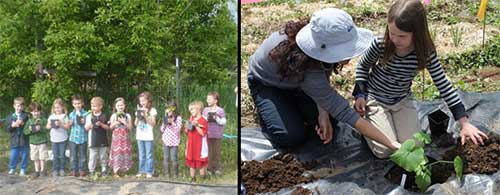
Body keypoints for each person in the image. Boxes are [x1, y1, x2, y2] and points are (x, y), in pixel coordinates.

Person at [247, 8, 400, 151]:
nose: (349, 56)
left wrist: (323, 114)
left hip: (297, 84)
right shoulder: (308, 69)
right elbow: (346, 113)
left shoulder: (319, 40)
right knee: (291, 137)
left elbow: (323, 78)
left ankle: (293, 105)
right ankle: (269, 106)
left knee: (331, 121)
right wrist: (390, 143)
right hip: (266, 84)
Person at [352, 0, 488, 158]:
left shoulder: (424, 53)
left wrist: (464, 123)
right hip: (375, 99)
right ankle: (365, 126)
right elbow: (362, 67)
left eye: (401, 36)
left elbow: (443, 84)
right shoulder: (381, 44)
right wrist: (360, 94)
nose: (395, 39)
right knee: (385, 151)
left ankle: (382, 125)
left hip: (401, 101)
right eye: (391, 32)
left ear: (417, 33)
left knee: (415, 145)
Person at [85, 97, 110, 176]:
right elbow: (86, 128)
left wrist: (101, 124)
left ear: (100, 106)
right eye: (92, 106)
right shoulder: (89, 116)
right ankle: (91, 170)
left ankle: (104, 169)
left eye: (95, 106)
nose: (93, 108)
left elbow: (108, 128)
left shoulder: (104, 116)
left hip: (102, 139)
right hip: (93, 139)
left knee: (103, 155)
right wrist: (92, 125)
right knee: (93, 156)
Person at [134, 92, 157, 178]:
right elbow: (135, 124)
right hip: (139, 136)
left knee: (149, 155)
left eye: (144, 100)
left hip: (148, 136)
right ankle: (141, 170)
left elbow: (153, 124)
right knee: (141, 154)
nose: (142, 102)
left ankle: (149, 171)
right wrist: (138, 114)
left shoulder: (152, 110)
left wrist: (146, 115)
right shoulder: (138, 110)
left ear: (148, 101)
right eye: (140, 101)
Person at [202, 92, 226, 175]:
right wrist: (206, 118)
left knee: (216, 151)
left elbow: (223, 121)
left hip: (217, 135)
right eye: (207, 99)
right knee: (208, 152)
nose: (207, 100)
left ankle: (216, 168)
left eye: (209, 99)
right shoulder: (205, 110)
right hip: (207, 134)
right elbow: (202, 120)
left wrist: (217, 119)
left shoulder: (220, 110)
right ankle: (208, 168)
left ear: (215, 101)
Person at [109, 97, 133, 178]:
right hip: (116, 138)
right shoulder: (113, 115)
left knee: (125, 152)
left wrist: (124, 122)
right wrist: (115, 122)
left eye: (122, 105)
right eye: (118, 105)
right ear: (115, 106)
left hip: (125, 137)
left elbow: (130, 128)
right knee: (117, 153)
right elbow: (110, 128)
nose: (120, 107)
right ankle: (115, 171)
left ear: (124, 106)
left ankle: (124, 170)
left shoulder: (128, 115)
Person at [185, 101, 208, 183]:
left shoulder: (203, 120)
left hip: (200, 146)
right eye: (190, 110)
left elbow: (202, 133)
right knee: (191, 162)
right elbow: (186, 132)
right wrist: (187, 127)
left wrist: (197, 126)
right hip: (191, 145)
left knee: (201, 166)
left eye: (192, 109)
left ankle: (204, 175)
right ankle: (193, 178)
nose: (191, 112)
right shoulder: (190, 119)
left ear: (199, 109)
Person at [23, 102, 49, 177]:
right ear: (31, 112)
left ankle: (43, 170)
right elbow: (25, 132)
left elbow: (47, 128)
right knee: (35, 158)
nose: (36, 113)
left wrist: (41, 128)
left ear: (40, 111)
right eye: (34, 111)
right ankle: (37, 170)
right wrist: (30, 130)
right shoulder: (29, 121)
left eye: (37, 111)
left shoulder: (44, 120)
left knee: (42, 157)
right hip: (33, 142)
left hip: (42, 142)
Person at [6, 97, 30, 176]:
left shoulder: (26, 115)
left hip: (24, 139)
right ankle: (12, 168)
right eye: (18, 106)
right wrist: (12, 126)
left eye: (21, 106)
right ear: (14, 106)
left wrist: (21, 122)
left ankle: (23, 169)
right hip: (15, 139)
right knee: (14, 155)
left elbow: (26, 120)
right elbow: (8, 129)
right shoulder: (10, 116)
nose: (19, 108)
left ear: (23, 107)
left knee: (25, 155)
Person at [46, 98, 70, 177]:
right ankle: (55, 169)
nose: (57, 109)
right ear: (53, 108)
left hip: (63, 138)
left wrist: (61, 124)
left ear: (62, 107)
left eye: (59, 107)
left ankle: (62, 169)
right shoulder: (51, 116)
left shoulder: (64, 116)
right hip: (54, 139)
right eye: (55, 107)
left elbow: (67, 127)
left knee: (62, 155)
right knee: (55, 155)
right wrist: (51, 125)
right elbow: (47, 126)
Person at [67, 94, 89, 177]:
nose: (77, 105)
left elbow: (88, 126)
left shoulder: (86, 114)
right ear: (73, 104)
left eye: (79, 103)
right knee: (73, 156)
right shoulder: (71, 114)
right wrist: (70, 123)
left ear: (82, 103)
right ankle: (73, 170)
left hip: (83, 138)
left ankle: (82, 170)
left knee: (82, 155)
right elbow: (69, 126)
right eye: (75, 104)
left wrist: (84, 122)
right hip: (73, 138)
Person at [160, 101, 182, 178]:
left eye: (171, 109)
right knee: (166, 158)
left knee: (174, 158)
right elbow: (162, 130)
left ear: (174, 109)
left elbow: (178, 130)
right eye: (167, 109)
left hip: (174, 141)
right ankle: (167, 174)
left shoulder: (178, 118)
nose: (169, 111)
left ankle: (176, 174)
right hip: (166, 141)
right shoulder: (165, 117)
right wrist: (165, 122)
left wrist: (172, 122)